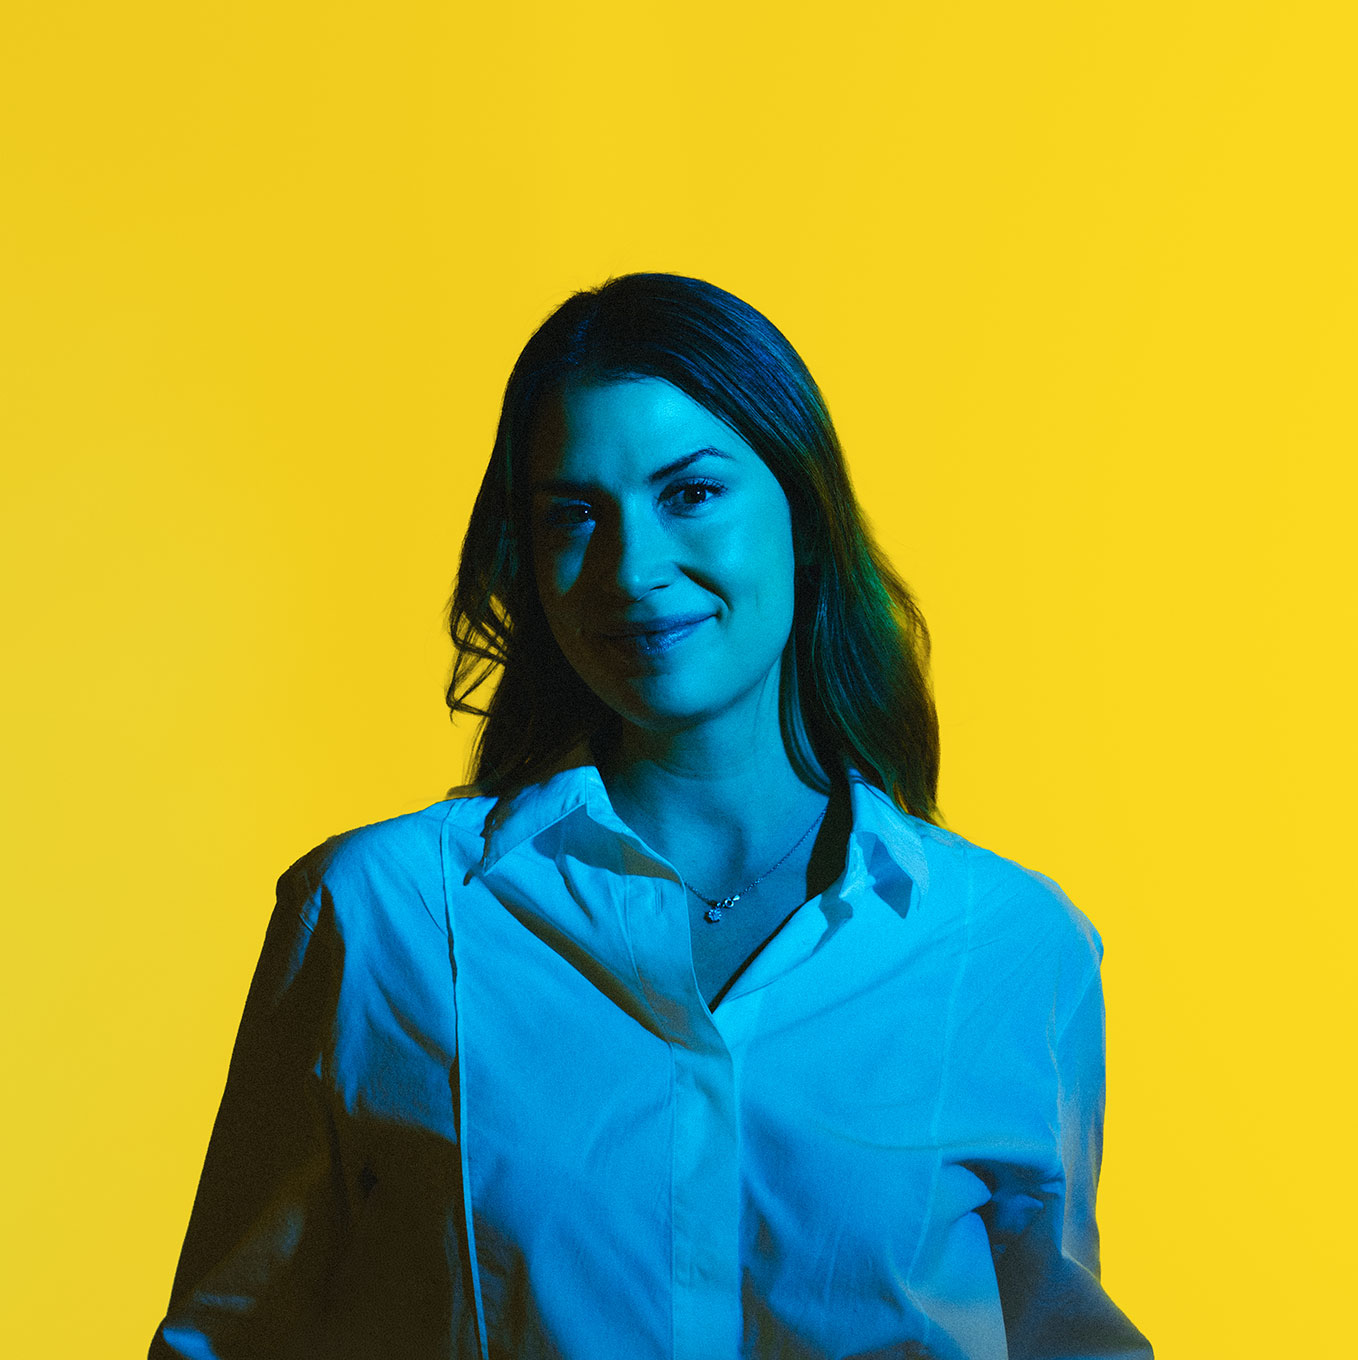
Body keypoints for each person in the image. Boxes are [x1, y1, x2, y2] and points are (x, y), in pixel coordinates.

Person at [150, 273, 1152, 1359]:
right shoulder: (380, 918)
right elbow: (229, 1340)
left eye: (692, 493)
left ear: (804, 516)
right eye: (574, 515)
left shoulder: (1007, 945)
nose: (632, 568)